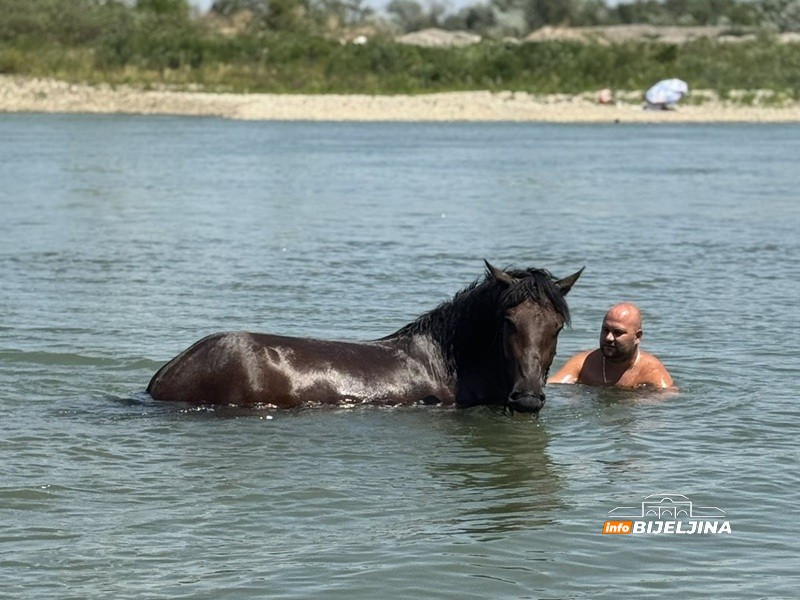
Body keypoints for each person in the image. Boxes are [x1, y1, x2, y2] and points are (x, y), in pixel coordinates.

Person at [548, 302, 674, 389]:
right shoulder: (583, 363)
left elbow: (667, 403)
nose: (608, 338)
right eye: (605, 330)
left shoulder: (652, 373)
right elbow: (552, 387)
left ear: (637, 337)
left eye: (617, 332)